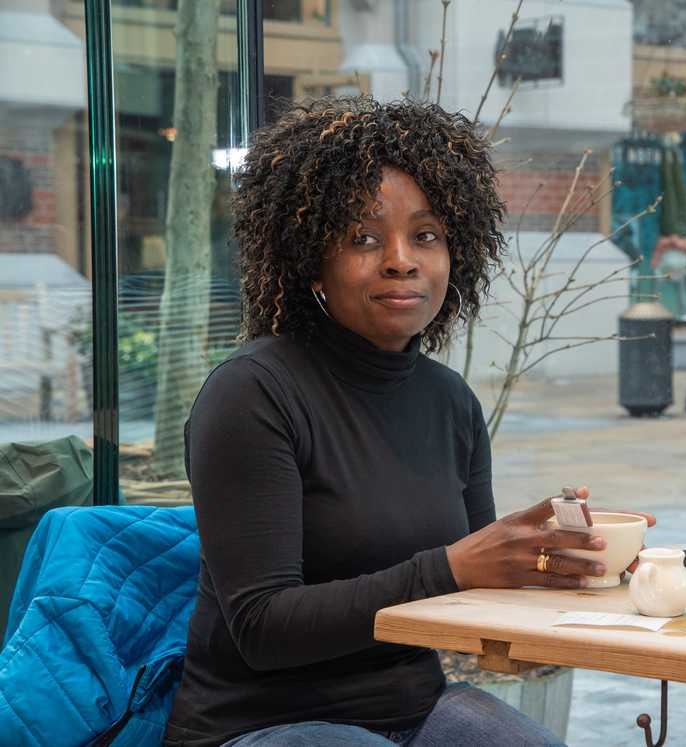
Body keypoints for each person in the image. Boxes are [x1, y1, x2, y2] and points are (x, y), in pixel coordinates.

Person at [163, 96, 653, 747]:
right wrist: (449, 566)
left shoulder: (451, 405)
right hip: (263, 725)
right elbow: (262, 627)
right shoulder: (252, 394)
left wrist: (558, 559)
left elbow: (474, 600)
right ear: (309, 258)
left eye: (425, 235)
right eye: (363, 238)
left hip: (418, 715)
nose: (401, 258)